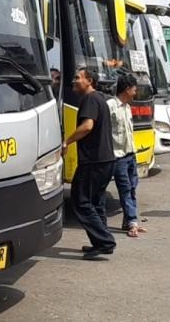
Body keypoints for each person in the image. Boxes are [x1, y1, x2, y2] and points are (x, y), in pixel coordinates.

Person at [62, 67, 116, 259]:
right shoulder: (100, 98)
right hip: (105, 160)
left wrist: (66, 141)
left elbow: (87, 126)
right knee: (96, 203)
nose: (74, 81)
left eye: (78, 78)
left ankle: (104, 240)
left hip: (93, 161)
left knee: (81, 201)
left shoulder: (90, 99)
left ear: (89, 81)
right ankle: (100, 242)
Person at [106, 74, 146, 238]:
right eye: (134, 89)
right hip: (118, 157)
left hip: (131, 154)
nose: (135, 93)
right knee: (125, 189)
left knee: (132, 189)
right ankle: (132, 222)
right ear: (127, 89)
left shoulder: (127, 107)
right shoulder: (110, 106)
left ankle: (128, 221)